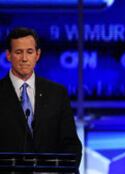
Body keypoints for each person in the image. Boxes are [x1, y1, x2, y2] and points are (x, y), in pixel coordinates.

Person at [0, 27, 82, 164]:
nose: (24, 58)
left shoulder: (57, 94)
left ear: (37, 55)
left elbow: (71, 144)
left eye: (29, 52)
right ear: (8, 55)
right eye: (18, 52)